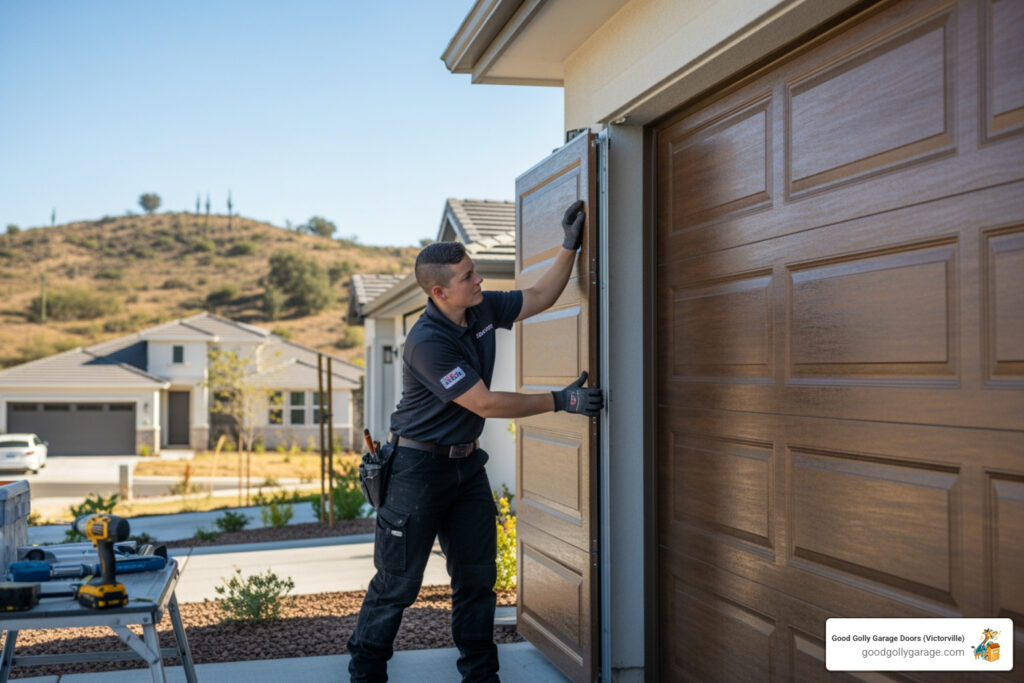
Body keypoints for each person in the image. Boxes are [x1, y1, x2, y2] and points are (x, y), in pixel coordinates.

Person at [347, 199, 603, 683]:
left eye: (476, 272)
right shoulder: (427, 342)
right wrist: (560, 401)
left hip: (466, 469)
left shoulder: (482, 308)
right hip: (415, 472)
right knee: (397, 585)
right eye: (468, 277)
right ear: (441, 291)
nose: (479, 281)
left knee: (477, 581)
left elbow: (540, 297)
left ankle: (481, 677)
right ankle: (365, 674)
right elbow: (483, 404)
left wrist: (569, 244)